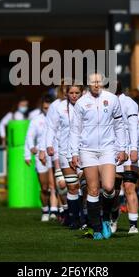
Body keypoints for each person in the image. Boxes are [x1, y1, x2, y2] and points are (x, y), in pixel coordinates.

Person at [70, 73, 127, 240]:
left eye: (99, 82)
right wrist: (73, 153)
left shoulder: (112, 99)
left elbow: (119, 125)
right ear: (88, 84)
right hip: (87, 151)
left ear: (103, 83)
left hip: (108, 149)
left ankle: (107, 217)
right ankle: (96, 228)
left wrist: (122, 148)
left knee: (109, 187)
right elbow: (75, 130)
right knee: (93, 190)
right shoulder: (81, 103)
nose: (96, 84)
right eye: (93, 82)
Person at [44, 82, 84, 229]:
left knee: (84, 186)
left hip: (83, 151)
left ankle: (84, 217)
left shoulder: (87, 105)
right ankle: (73, 218)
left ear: (81, 93)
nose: (74, 96)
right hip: (64, 151)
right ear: (66, 93)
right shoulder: (58, 106)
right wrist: (48, 145)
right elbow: (51, 127)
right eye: (71, 93)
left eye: (77, 93)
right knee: (71, 187)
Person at [112, 81, 139, 234]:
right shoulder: (105, 102)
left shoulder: (128, 103)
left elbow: (133, 127)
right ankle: (113, 220)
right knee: (113, 190)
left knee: (129, 186)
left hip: (129, 150)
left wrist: (134, 148)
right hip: (112, 151)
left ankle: (133, 224)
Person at [24, 94, 58, 221]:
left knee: (55, 184)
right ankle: (45, 210)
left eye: (49, 108)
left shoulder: (58, 119)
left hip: (54, 153)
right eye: (45, 108)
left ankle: (55, 211)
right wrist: (29, 152)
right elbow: (29, 136)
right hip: (41, 155)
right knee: (44, 187)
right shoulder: (36, 120)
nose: (47, 110)